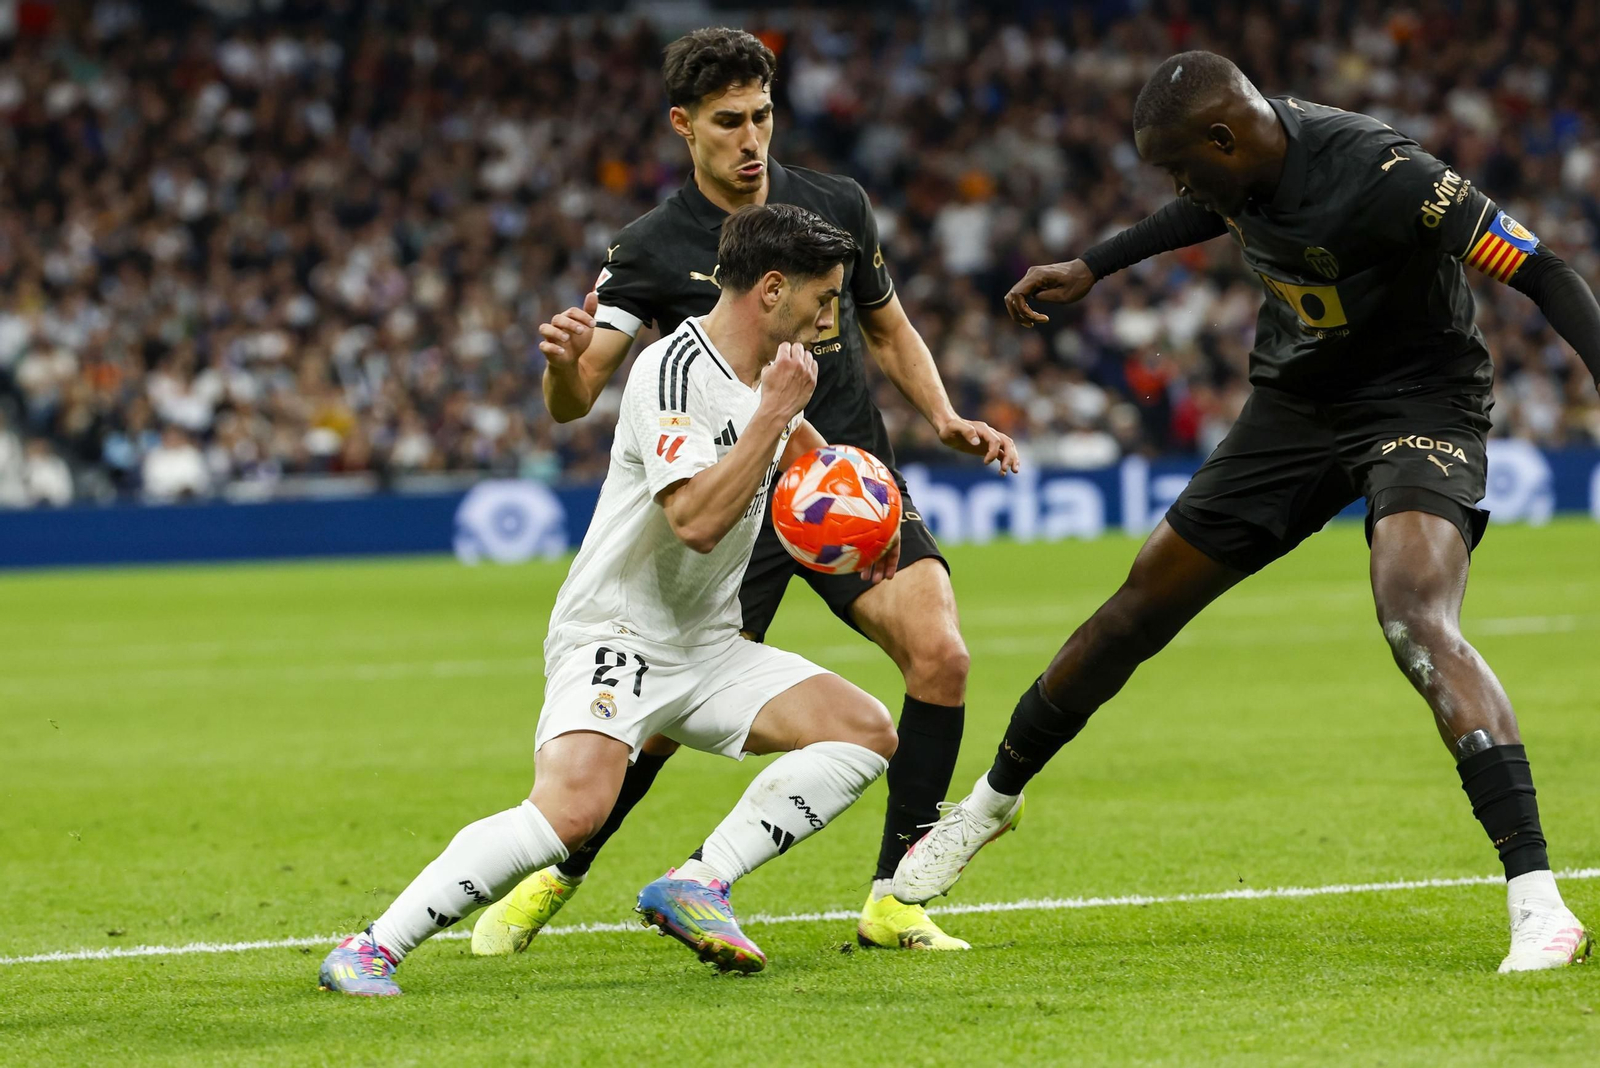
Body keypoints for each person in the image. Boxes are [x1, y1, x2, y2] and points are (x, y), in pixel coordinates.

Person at [892, 51, 1599, 974]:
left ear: (1226, 137)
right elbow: (1204, 208)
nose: (1182, 187)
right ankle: (991, 801)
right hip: (1294, 411)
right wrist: (1092, 266)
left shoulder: (1393, 177)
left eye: (1185, 165)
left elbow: (1544, 271)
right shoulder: (1238, 166)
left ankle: (1539, 904)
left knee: (1415, 618)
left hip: (1418, 409)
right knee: (1136, 608)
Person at [475, 27, 1019, 956]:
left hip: (844, 482)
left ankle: (897, 894)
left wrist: (941, 414)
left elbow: (886, 327)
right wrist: (563, 371)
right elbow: (578, 396)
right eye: (728, 122)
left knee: (944, 656)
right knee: (654, 724)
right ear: (684, 126)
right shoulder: (649, 247)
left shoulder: (835, 205)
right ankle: (553, 874)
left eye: (763, 115)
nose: (751, 139)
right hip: (734, 504)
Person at [320, 205, 899, 996]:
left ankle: (701, 881)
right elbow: (693, 520)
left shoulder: (775, 372)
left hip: (708, 642)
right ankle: (372, 946)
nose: (833, 316)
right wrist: (772, 415)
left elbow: (807, 458)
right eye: (825, 297)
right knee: (572, 812)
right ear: (772, 289)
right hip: (616, 632)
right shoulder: (670, 370)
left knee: (863, 731)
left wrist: (867, 520)